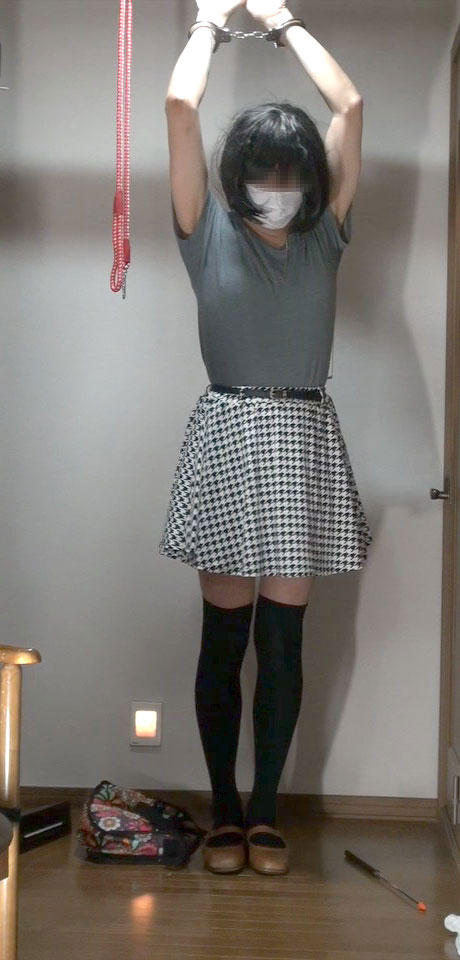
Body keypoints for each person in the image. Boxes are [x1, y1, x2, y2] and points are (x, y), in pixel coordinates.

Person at [159, 0, 372, 875]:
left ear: (310, 179)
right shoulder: (204, 230)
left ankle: (267, 814)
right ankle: (223, 814)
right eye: (264, 170)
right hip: (228, 429)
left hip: (303, 438)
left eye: (292, 171)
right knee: (224, 640)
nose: (278, 185)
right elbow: (180, 107)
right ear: (239, 173)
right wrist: (210, 21)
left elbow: (349, 106)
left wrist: (281, 18)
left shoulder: (323, 238)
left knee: (283, 644)